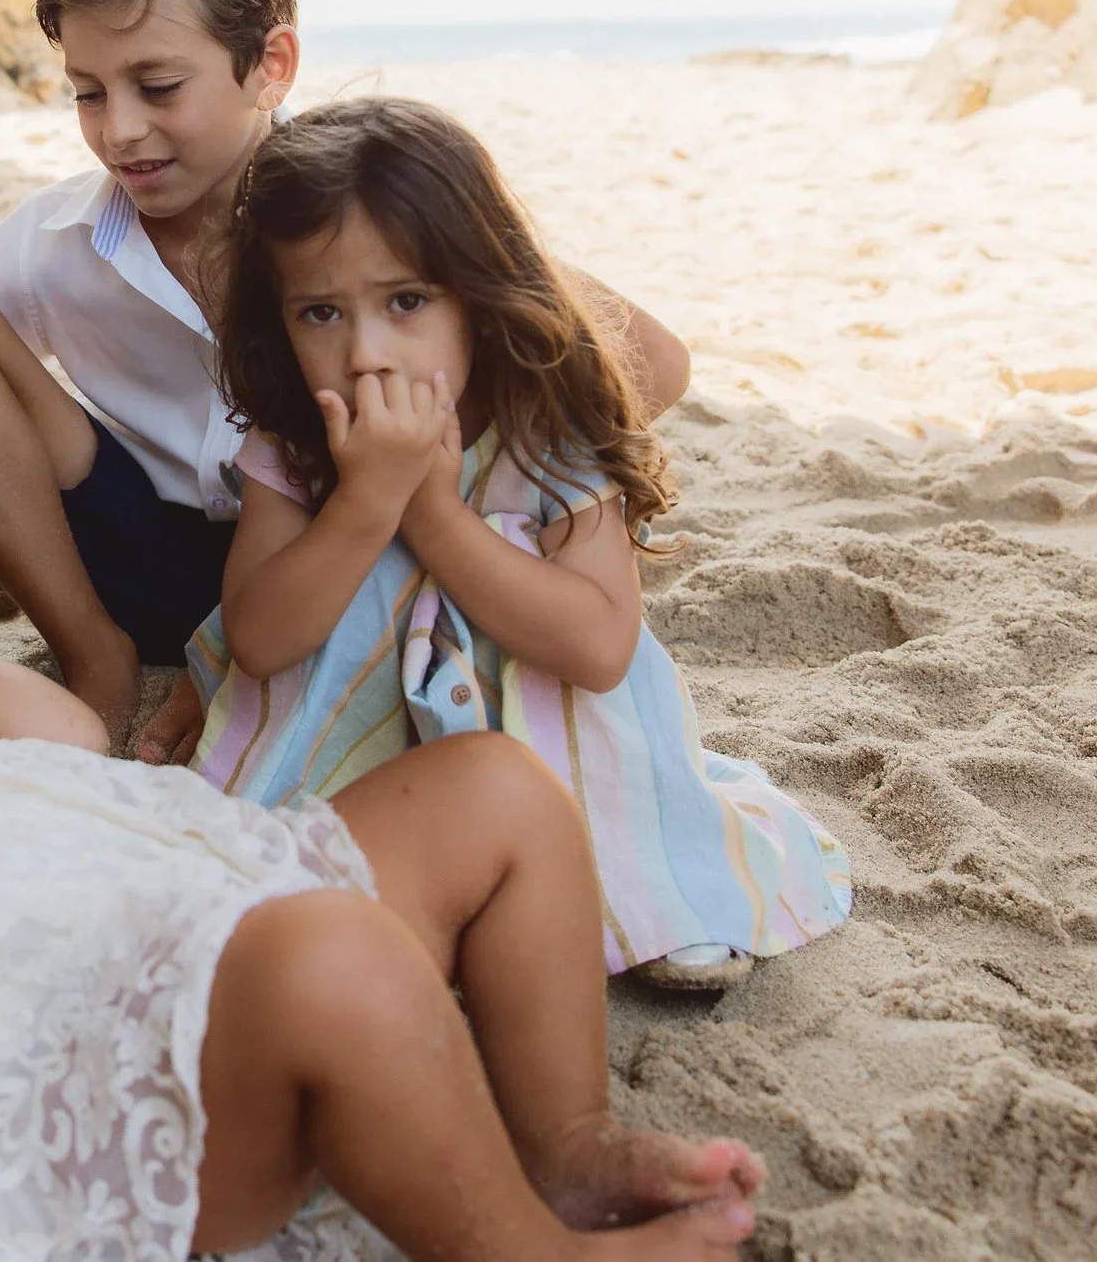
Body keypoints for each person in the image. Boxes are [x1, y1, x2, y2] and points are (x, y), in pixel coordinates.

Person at [0, 636, 767, 1262]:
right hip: (136, 1077)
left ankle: (561, 1141)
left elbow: (66, 734)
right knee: (330, 959)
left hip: (223, 915)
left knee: (498, 787)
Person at [0, 0, 692, 731]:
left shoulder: (365, 218)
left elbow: (653, 360)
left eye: (159, 85)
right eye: (88, 92)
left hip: (347, 555)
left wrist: (423, 487)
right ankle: (95, 657)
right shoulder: (62, 234)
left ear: (271, 67)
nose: (120, 130)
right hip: (137, 556)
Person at [149, 97, 851, 990]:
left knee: (610, 834)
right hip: (353, 759)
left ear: (477, 297)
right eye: (320, 313)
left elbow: (598, 648)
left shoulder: (545, 428)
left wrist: (435, 514)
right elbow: (259, 636)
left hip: (558, 753)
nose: (368, 352)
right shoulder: (298, 438)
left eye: (407, 300)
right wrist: (366, 502)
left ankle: (638, 895)